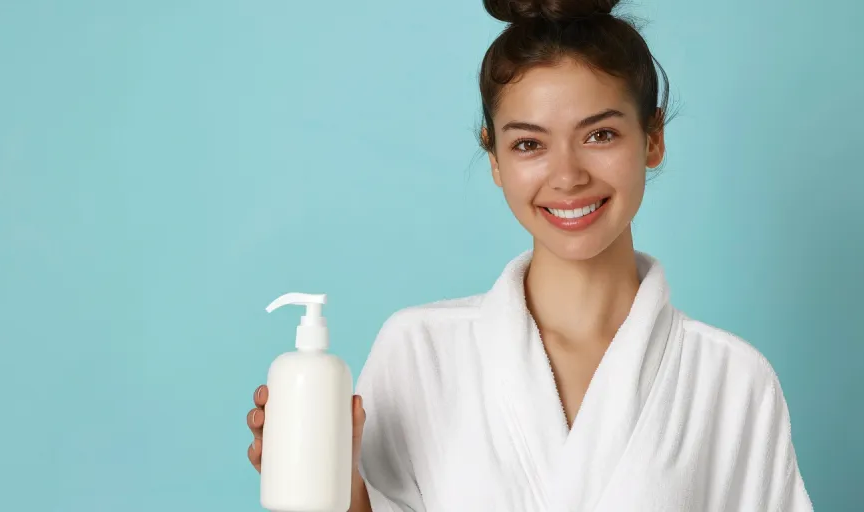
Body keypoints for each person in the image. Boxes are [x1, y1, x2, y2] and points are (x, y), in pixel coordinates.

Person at [248, 0, 814, 510]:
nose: (567, 176)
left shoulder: (732, 380)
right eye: (528, 144)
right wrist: (344, 496)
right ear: (494, 161)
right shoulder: (419, 351)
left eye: (600, 135)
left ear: (653, 139)